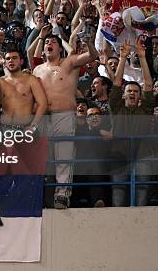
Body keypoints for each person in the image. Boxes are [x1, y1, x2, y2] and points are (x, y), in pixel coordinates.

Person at [32, 34, 97, 209]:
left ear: (60, 48)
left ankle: (62, 195)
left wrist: (89, 42)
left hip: (64, 114)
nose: (48, 44)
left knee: (64, 157)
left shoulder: (69, 63)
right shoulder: (37, 70)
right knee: (43, 159)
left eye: (53, 42)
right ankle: (42, 195)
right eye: (46, 42)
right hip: (43, 116)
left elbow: (92, 56)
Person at [0, 49, 48, 174]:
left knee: (22, 167)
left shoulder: (30, 80)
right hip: (4, 129)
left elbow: (42, 103)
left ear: (21, 61)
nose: (11, 60)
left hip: (24, 129)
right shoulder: (0, 81)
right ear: (5, 63)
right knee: (1, 166)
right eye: (8, 58)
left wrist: (33, 126)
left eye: (14, 58)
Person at [108, 39, 155, 207]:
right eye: (129, 91)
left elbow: (149, 85)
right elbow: (116, 83)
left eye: (136, 91)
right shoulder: (116, 107)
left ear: (140, 96)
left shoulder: (146, 110)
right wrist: (122, 58)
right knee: (118, 192)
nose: (133, 93)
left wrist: (142, 57)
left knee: (142, 191)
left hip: (143, 156)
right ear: (123, 95)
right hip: (119, 156)